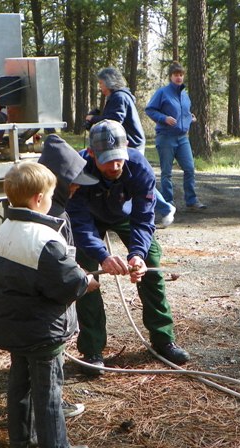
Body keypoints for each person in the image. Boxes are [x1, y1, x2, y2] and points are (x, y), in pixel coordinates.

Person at [0, 162, 98, 448]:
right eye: (49, 194)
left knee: (19, 381)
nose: (51, 200)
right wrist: (86, 281)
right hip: (41, 329)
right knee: (49, 388)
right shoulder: (44, 239)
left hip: (13, 325)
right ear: (38, 199)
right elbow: (66, 284)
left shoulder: (4, 229)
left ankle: (20, 437)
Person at [66, 120, 191, 373]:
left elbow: (144, 218)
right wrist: (102, 256)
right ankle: (91, 351)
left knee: (151, 264)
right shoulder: (77, 170)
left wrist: (138, 255)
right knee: (86, 277)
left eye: (118, 159)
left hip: (123, 214)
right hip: (90, 218)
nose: (114, 166)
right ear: (91, 153)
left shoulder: (139, 166)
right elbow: (79, 223)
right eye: (107, 160)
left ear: (127, 148)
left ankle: (163, 339)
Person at [37, 133, 101, 419]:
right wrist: (81, 281)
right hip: (48, 307)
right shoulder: (51, 216)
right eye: (72, 181)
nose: (77, 187)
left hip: (50, 301)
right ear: (57, 181)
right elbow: (55, 265)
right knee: (49, 358)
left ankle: (41, 406)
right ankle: (51, 411)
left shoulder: (55, 208)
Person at [85, 67, 176, 228]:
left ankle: (165, 208)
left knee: (137, 178)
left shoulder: (119, 96)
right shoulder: (118, 96)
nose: (100, 87)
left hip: (129, 144)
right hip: (127, 142)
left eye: (101, 83)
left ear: (108, 82)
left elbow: (115, 120)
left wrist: (94, 119)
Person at [145, 62, 206, 211]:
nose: (179, 77)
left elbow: (184, 111)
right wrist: (163, 118)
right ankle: (168, 203)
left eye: (181, 75)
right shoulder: (163, 92)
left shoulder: (184, 94)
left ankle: (191, 200)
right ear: (170, 76)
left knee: (190, 168)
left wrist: (189, 117)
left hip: (182, 137)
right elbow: (150, 109)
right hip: (166, 137)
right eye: (176, 75)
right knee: (167, 172)